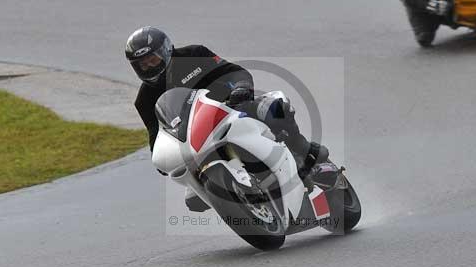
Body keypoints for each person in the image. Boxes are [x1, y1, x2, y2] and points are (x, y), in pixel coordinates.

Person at [125, 26, 328, 183]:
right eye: (142, 64)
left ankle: (303, 150)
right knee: (192, 197)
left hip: (233, 106)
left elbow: (234, 71)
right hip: (197, 136)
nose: (149, 66)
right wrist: (161, 159)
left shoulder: (194, 54)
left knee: (274, 108)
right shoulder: (144, 100)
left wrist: (241, 88)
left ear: (165, 50)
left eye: (152, 59)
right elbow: (156, 133)